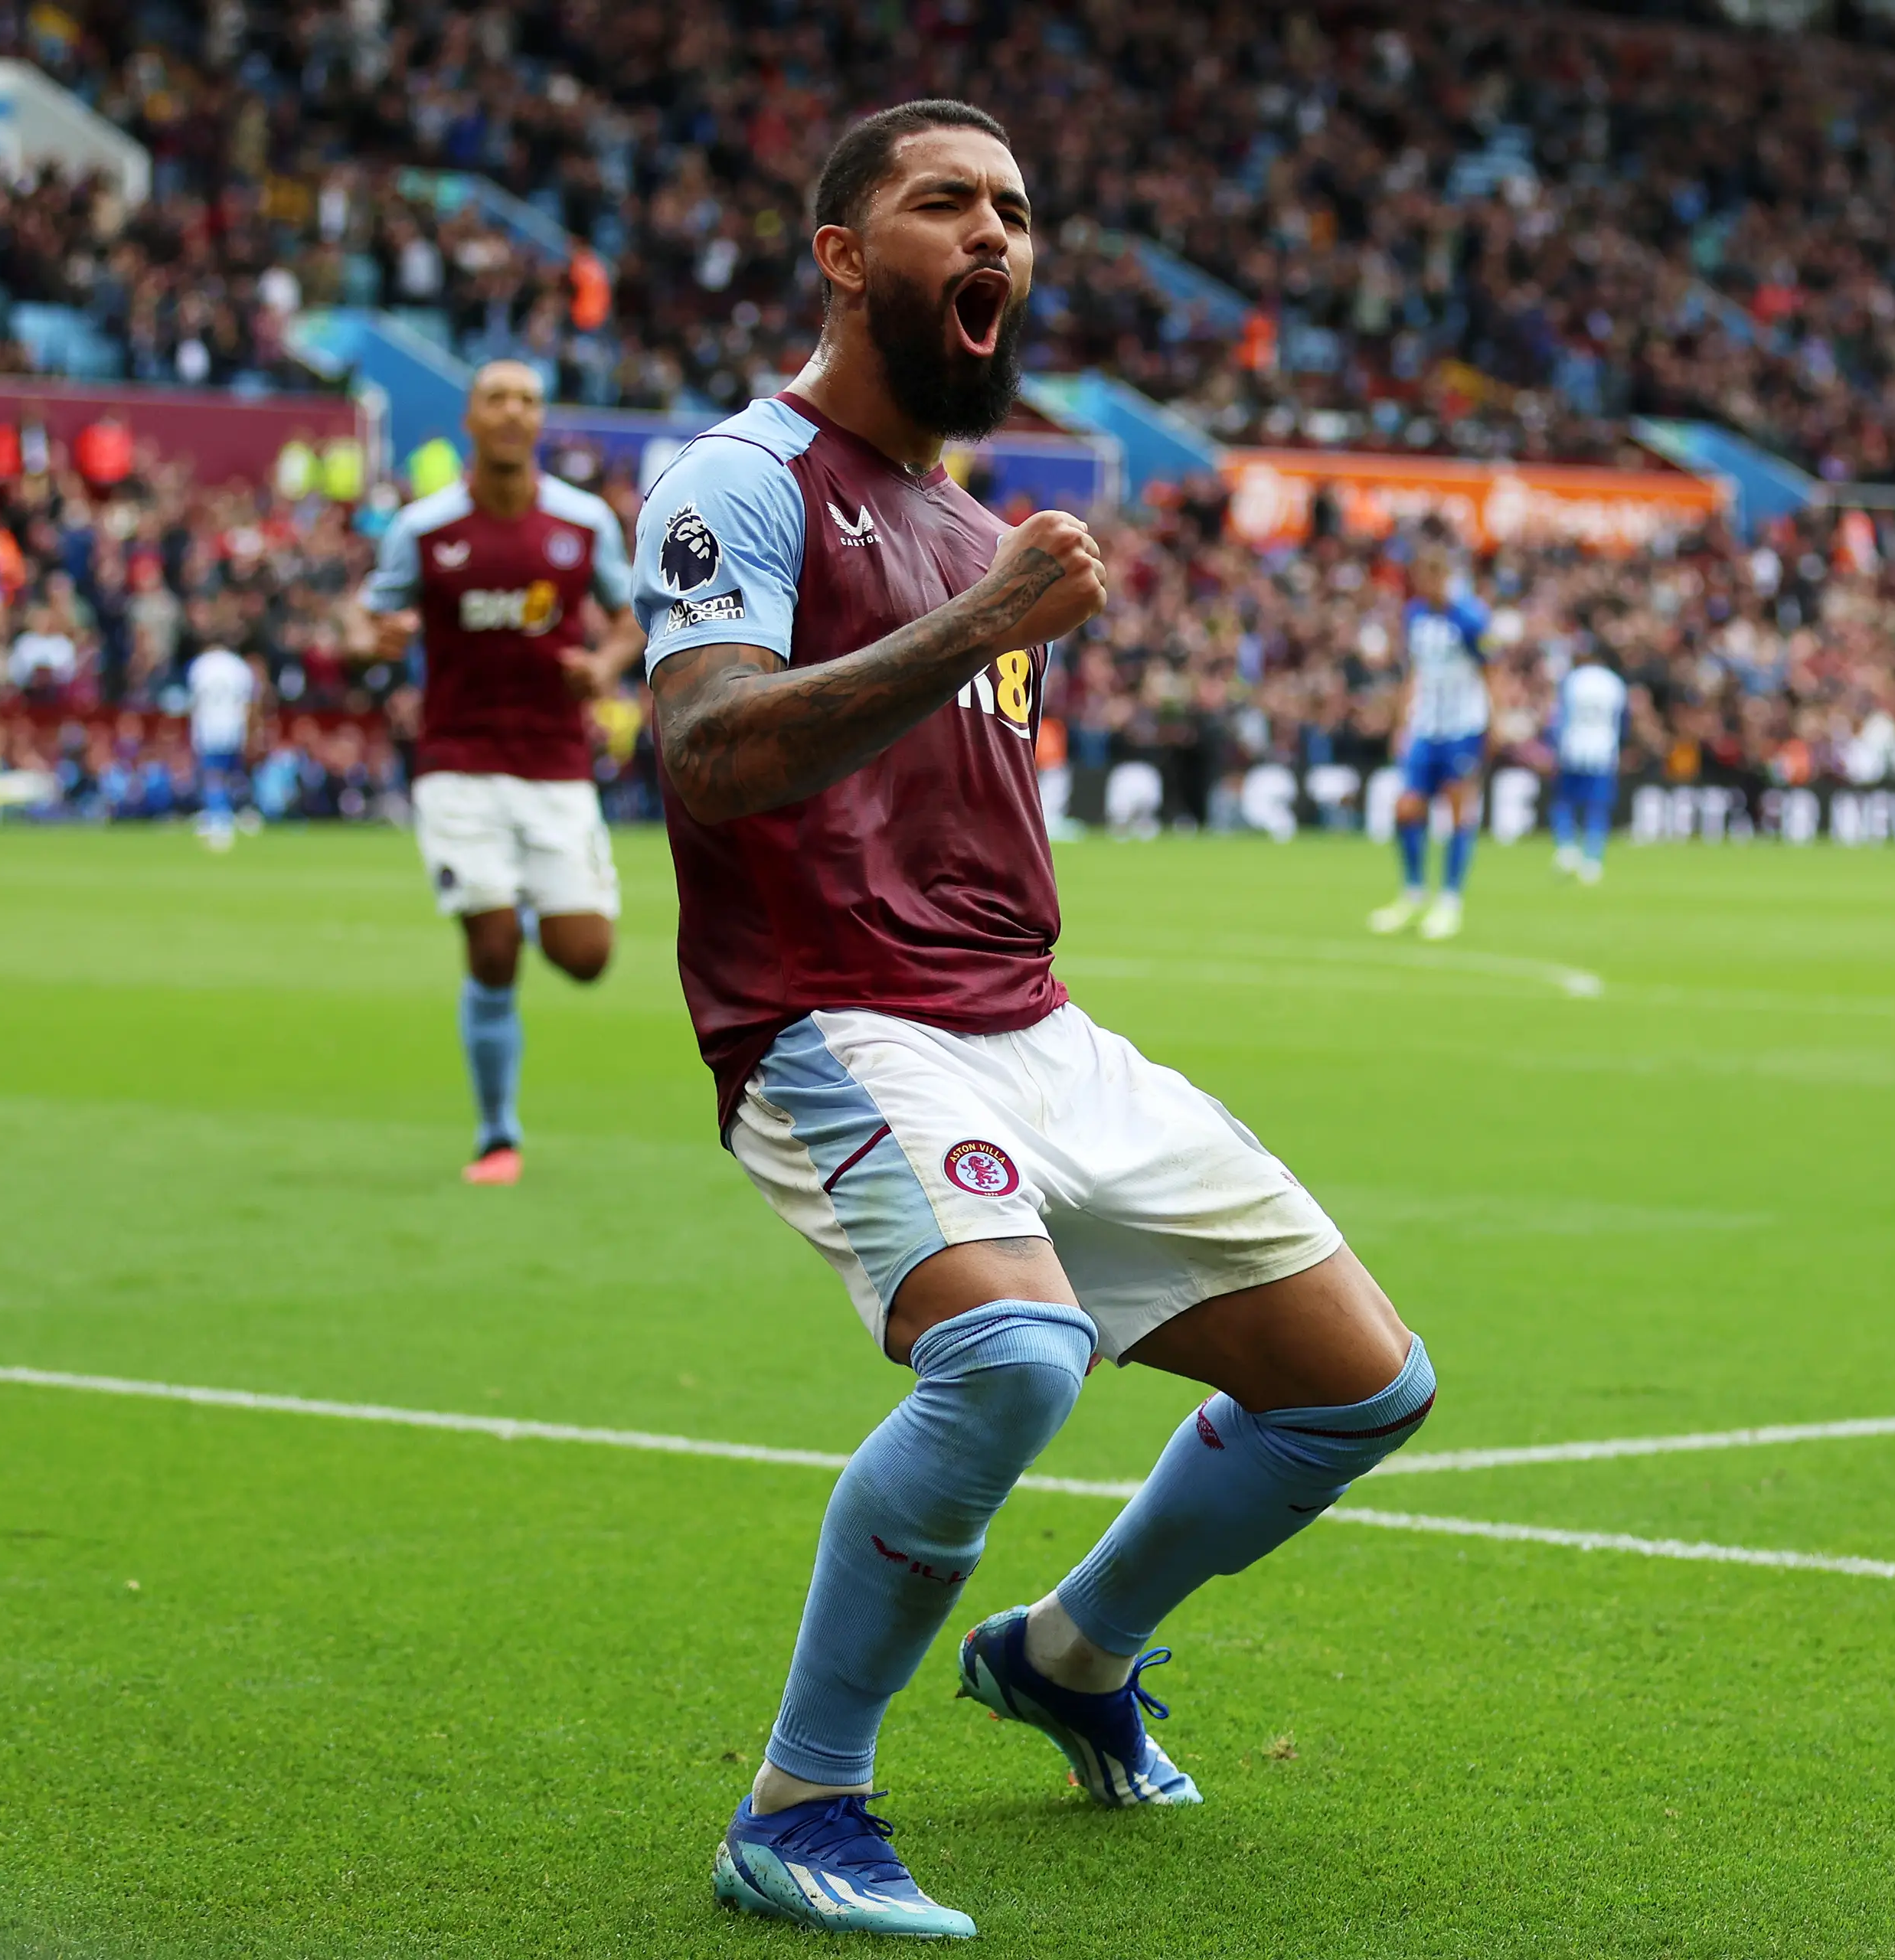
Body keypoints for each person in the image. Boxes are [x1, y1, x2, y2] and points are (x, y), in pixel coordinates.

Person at [631, 100, 1435, 1942]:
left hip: (1032, 1025)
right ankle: (801, 1802)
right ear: (842, 255)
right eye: (943, 204)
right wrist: (977, 617)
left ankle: (1069, 1652)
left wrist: (988, 596)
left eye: (1012, 208)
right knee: (1007, 1359)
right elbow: (704, 754)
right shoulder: (742, 481)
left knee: (1360, 1385)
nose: (992, 233)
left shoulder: (977, 524)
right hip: (838, 1020)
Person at [354, 360, 645, 1185]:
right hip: (458, 759)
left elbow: (631, 618)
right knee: (490, 950)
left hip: (554, 763)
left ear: (540, 420)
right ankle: (497, 1136)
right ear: (470, 421)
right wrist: (368, 637)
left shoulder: (583, 522)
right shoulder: (423, 528)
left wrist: (607, 663)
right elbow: (371, 613)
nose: (513, 412)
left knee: (585, 955)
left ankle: (511, 902)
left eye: (526, 400)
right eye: (496, 400)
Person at [1367, 540, 1491, 940]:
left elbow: (1494, 673)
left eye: (1430, 575)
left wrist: (1496, 723)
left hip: (1462, 726)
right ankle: (1413, 893)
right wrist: (1401, 722)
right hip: (1425, 726)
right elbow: (1413, 672)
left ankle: (1450, 901)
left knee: (1457, 810)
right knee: (1406, 808)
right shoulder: (1415, 615)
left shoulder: (1471, 618)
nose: (1424, 583)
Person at [1551, 644, 1628, 884]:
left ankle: (1566, 848)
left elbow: (1559, 717)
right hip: (1603, 750)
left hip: (1573, 747)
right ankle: (1593, 861)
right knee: (1597, 807)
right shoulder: (1614, 683)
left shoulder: (1572, 680)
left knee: (1564, 801)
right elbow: (1622, 720)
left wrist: (1556, 744)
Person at [184, 642, 258, 851]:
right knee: (233, 773)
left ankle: (220, 818)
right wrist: (250, 730)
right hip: (234, 726)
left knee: (213, 776)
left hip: (208, 728)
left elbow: (194, 700)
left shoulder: (200, 665)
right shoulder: (238, 666)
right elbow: (249, 701)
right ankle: (241, 812)